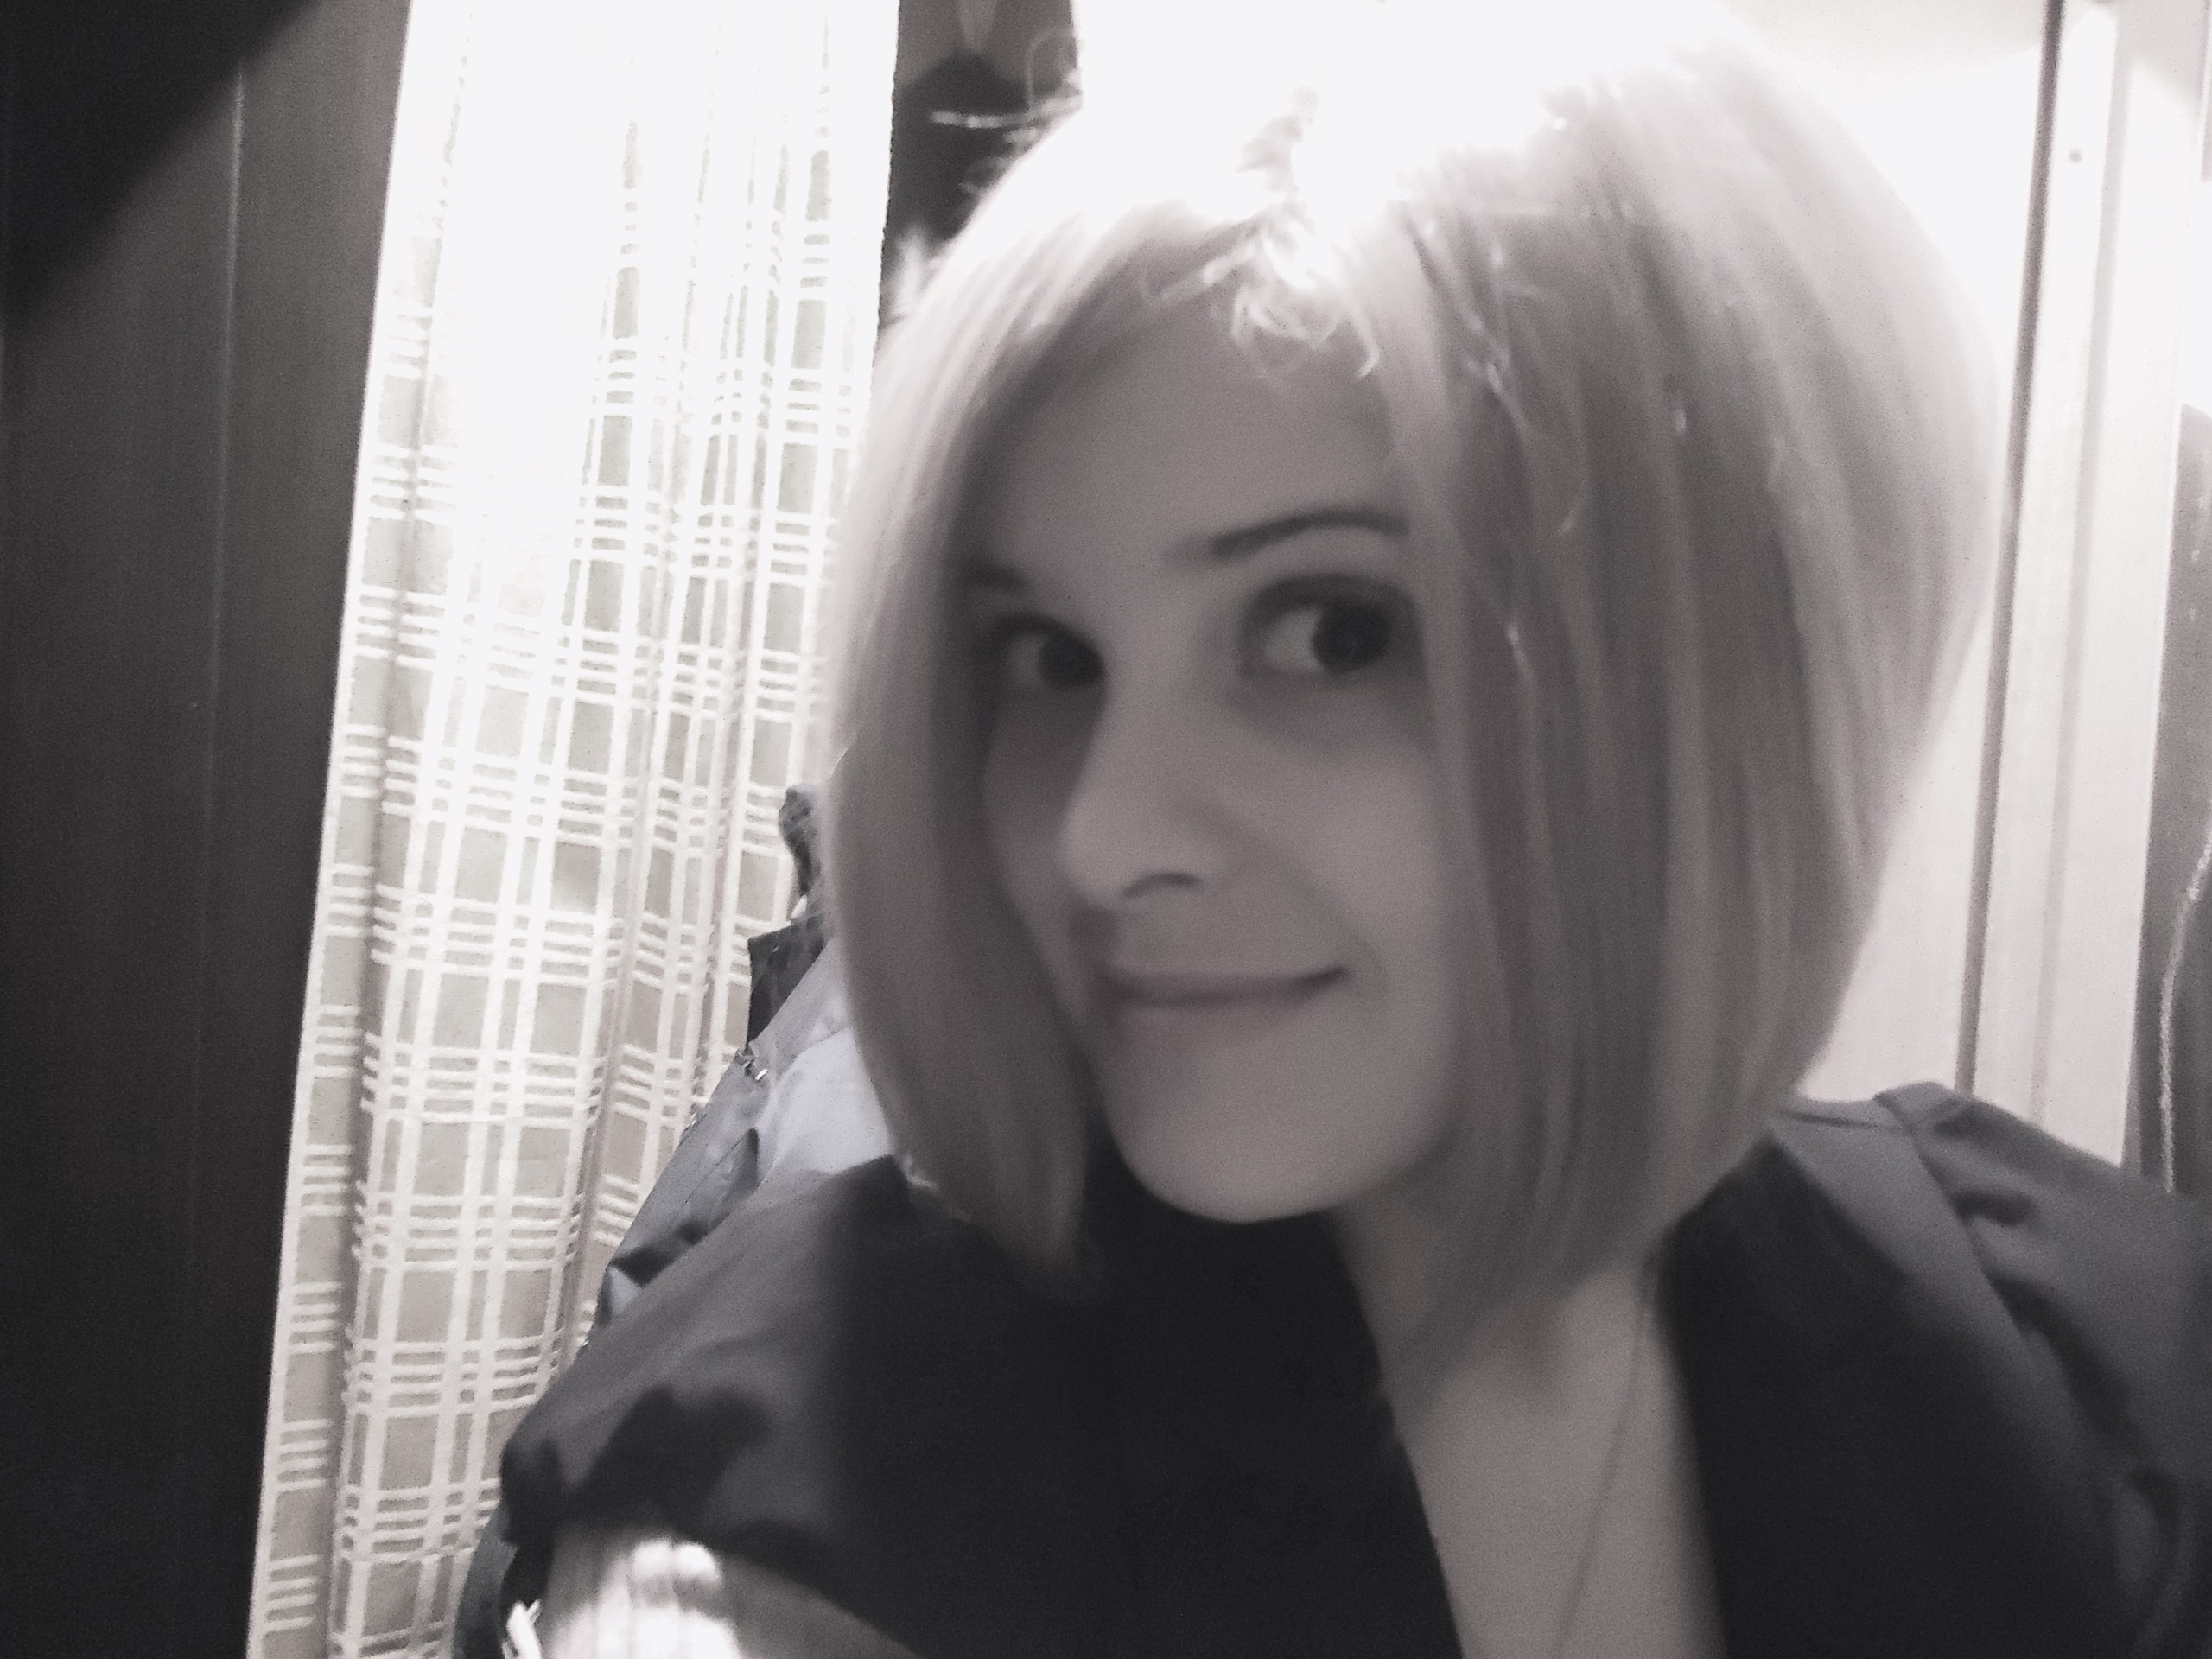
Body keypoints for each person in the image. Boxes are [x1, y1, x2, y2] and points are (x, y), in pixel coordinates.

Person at [477, 7, 2212, 1657]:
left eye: (1329, 630)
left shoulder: (2071, 1364)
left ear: (1727, 672)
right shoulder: (835, 1465)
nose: (1097, 836)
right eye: (1047, 655)